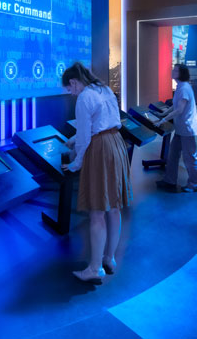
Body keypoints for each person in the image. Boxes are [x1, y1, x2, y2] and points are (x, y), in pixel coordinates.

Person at [61, 62, 132, 284]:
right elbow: (101, 123)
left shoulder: (84, 98)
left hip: (100, 150)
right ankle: (109, 259)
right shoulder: (104, 89)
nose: (71, 94)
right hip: (115, 144)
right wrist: (75, 139)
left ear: (73, 82)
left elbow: (84, 138)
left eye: (69, 89)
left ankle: (94, 268)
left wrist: (75, 165)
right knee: (113, 207)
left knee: (97, 211)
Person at [154, 64, 197, 193]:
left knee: (190, 157)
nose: (172, 71)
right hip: (181, 129)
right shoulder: (181, 87)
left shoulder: (184, 88)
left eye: (175, 70)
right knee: (173, 154)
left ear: (181, 73)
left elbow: (179, 110)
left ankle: (195, 183)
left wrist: (163, 120)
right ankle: (170, 180)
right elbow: (175, 106)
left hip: (187, 129)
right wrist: (163, 114)